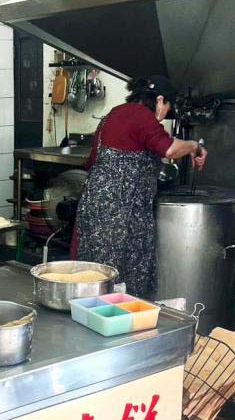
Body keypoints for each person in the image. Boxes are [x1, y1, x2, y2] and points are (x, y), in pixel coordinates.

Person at [75, 76, 207, 297]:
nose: (164, 115)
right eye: (167, 109)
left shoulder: (115, 113)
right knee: (119, 278)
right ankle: (123, 325)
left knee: (97, 276)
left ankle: (99, 320)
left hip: (98, 208)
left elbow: (93, 161)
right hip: (119, 214)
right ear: (160, 100)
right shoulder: (141, 115)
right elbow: (170, 149)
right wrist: (194, 146)